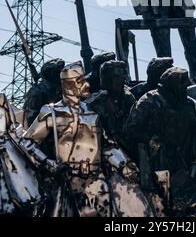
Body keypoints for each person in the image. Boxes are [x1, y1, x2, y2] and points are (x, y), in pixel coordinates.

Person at [19, 61, 153, 217]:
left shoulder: (91, 112)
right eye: (80, 81)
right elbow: (27, 141)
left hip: (97, 182)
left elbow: (107, 145)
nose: (85, 84)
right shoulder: (52, 112)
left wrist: (124, 163)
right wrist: (48, 163)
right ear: (67, 84)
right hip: (68, 181)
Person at [125, 67, 196, 215]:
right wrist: (151, 139)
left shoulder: (191, 104)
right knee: (159, 207)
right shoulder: (149, 101)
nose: (186, 86)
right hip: (155, 164)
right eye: (183, 83)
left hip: (184, 163)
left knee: (188, 209)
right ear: (172, 84)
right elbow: (131, 129)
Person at [86, 60, 136, 150]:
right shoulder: (96, 103)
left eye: (121, 76)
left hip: (128, 146)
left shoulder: (128, 97)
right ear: (106, 79)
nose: (121, 80)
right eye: (116, 77)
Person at [23, 58, 65, 126]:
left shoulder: (62, 88)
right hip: (44, 129)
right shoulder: (36, 92)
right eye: (58, 72)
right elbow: (30, 120)